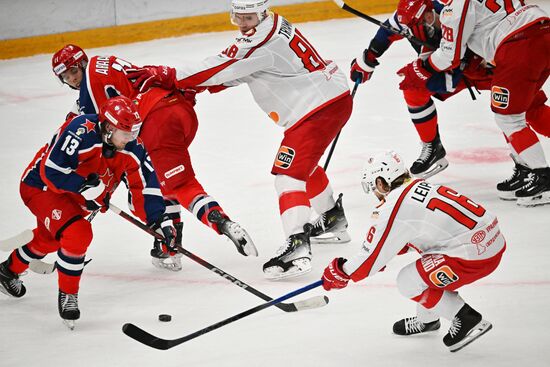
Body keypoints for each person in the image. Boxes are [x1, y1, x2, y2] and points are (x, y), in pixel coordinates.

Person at [125, 0, 353, 279]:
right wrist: (199, 84)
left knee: (288, 177)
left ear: (263, 12)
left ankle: (297, 247)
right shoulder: (271, 27)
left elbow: (224, 66)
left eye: (250, 17)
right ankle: (331, 218)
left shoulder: (260, 40)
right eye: (239, 17)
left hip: (318, 108)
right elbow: (241, 70)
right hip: (327, 98)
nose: (244, 23)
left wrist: (168, 75)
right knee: (304, 166)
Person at [51, 45, 258, 272]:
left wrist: (100, 183)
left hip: (155, 121)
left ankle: (221, 223)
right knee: (160, 181)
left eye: (73, 72)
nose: (72, 79)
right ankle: (169, 247)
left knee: (173, 185)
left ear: (82, 64)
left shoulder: (89, 89)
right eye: (66, 77)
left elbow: (102, 137)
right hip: (179, 110)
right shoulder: (104, 62)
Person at [0, 96, 175, 329]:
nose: (132, 138)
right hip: (40, 186)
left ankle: (7, 270)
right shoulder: (81, 130)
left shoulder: (132, 147)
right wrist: (84, 186)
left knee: (53, 238)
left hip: (75, 196)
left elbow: (145, 185)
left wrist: (159, 220)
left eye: (134, 132)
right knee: (78, 232)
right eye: (126, 133)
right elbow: (51, 170)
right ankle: (69, 295)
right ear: (109, 127)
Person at [321, 150, 506, 352]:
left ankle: (466, 319)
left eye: (373, 187)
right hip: (490, 242)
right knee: (426, 267)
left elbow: (369, 260)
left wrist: (341, 272)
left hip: (473, 257)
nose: (375, 193)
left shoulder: (394, 206)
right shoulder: (418, 185)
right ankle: (428, 319)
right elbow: (426, 229)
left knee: (408, 281)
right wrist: (389, 251)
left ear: (382, 183)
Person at [395, 0, 550, 206]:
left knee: (509, 118)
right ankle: (526, 169)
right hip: (541, 30)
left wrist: (420, 68)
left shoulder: (455, 6)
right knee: (527, 109)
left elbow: (450, 57)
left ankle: (543, 179)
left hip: (518, 45)